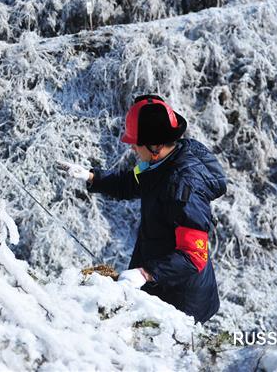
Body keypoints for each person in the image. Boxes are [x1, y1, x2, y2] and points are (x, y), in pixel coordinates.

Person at [58, 94, 227, 323]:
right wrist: (93, 177)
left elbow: (194, 255)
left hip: (181, 303)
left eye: (137, 144)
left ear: (154, 145)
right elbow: (131, 183)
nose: (134, 149)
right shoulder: (161, 164)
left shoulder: (184, 188)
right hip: (159, 282)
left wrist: (146, 273)